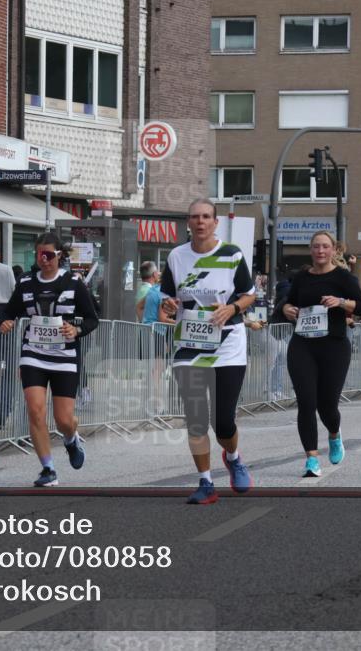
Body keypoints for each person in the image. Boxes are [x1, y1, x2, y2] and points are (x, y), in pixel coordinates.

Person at [158, 199, 256, 502]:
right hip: (189, 343)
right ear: (188, 222)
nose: (200, 222)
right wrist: (169, 305)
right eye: (194, 217)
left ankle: (234, 456)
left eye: (206, 217)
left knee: (223, 421)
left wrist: (232, 308)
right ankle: (205, 483)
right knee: (196, 416)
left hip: (228, 342)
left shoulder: (231, 254)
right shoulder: (176, 256)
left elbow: (249, 295)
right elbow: (166, 298)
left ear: (215, 222)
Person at [0, 232, 99, 487]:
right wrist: (6, 323)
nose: (44, 260)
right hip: (34, 353)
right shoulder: (26, 283)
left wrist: (76, 330)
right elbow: (8, 313)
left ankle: (71, 438)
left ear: (59, 255)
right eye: (40, 255)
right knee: (35, 410)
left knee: (64, 419)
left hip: (65, 356)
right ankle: (48, 468)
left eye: (49, 255)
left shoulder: (74, 282)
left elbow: (92, 318)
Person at [272, 230, 361, 477]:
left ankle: (334, 436)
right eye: (316, 247)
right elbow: (286, 301)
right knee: (306, 403)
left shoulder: (343, 277)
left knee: (327, 405)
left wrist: (341, 302)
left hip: (334, 346)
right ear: (310, 249)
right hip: (303, 345)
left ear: (334, 249)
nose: (320, 251)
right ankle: (311, 459)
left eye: (325, 247)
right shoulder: (302, 277)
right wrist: (288, 309)